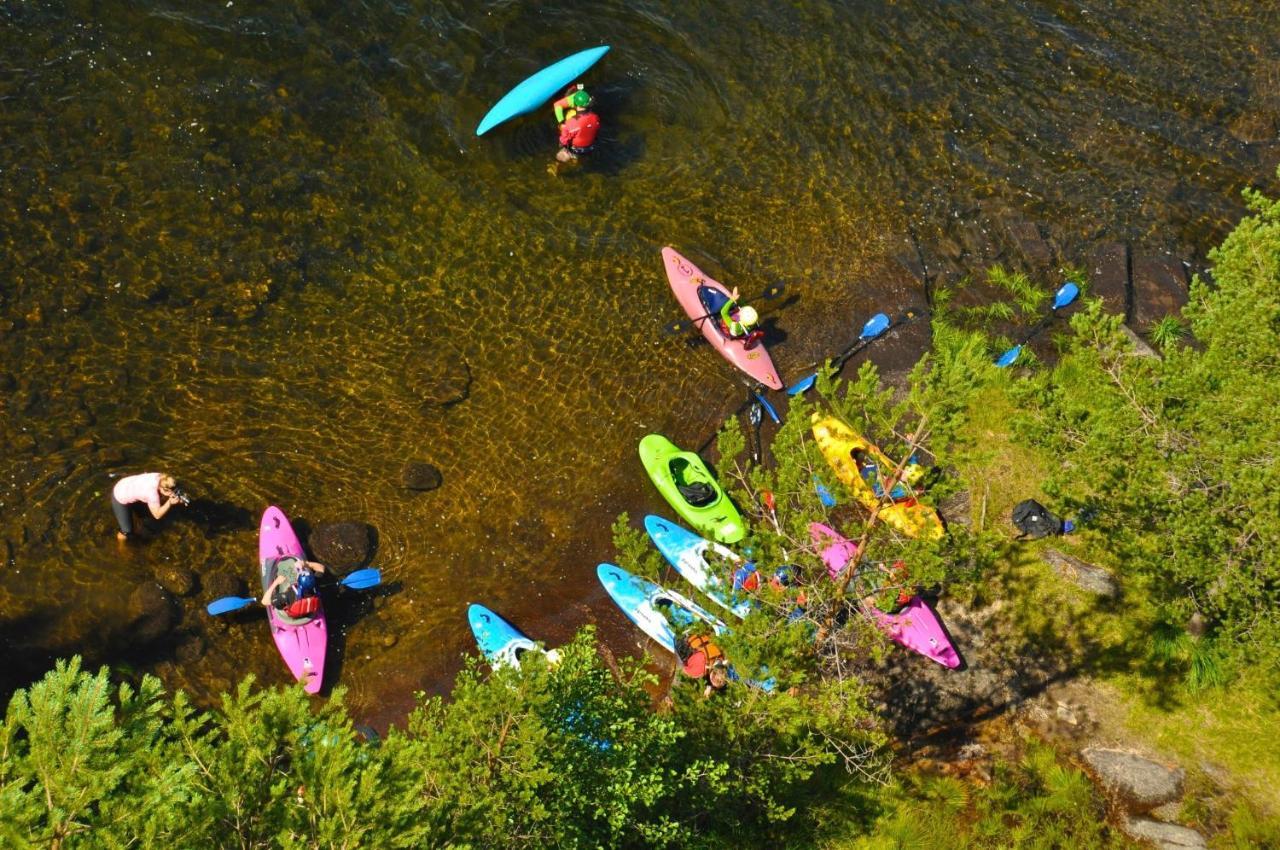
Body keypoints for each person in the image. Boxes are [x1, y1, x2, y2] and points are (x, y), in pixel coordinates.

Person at [110, 472, 186, 540]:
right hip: (119, 494)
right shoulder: (152, 494)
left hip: (126, 484)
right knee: (127, 531)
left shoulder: (161, 477)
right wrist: (169, 502)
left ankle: (139, 523)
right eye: (170, 492)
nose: (172, 493)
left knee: (145, 515)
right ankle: (121, 549)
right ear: (163, 489)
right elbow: (157, 515)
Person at [261, 556, 327, 620]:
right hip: (308, 611)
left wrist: (276, 582)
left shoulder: (288, 595)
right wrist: (305, 564)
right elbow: (321, 568)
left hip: (293, 613)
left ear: (299, 583)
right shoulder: (315, 582)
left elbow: (264, 601)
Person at [554, 84, 600, 163]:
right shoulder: (595, 117)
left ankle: (556, 165)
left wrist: (562, 126)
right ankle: (576, 160)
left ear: (575, 104)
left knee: (560, 156)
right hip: (590, 147)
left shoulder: (572, 122)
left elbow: (564, 140)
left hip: (575, 149)